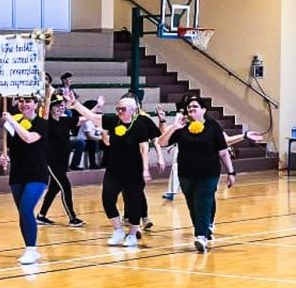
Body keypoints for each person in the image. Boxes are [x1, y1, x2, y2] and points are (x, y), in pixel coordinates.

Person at [73, 93, 156, 247]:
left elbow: (144, 148)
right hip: (114, 170)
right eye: (118, 108)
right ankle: (118, 230)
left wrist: (145, 169)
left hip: (134, 171)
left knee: (134, 203)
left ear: (132, 110)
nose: (119, 111)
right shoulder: (112, 120)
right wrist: (75, 103)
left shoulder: (141, 124)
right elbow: (92, 117)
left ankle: (132, 234)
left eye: (123, 109)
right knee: (108, 199)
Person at [159, 95, 234, 253]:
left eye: (195, 107)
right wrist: (174, 126)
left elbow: (223, 152)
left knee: (203, 201)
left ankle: (201, 237)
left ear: (203, 110)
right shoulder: (182, 127)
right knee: (192, 204)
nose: (191, 109)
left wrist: (231, 171)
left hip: (208, 173)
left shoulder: (213, 126)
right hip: (186, 174)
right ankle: (204, 230)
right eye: (189, 108)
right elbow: (162, 142)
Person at [0, 92, 50, 267]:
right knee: (22, 212)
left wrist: (13, 121)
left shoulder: (42, 124)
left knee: (26, 208)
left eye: (28, 101)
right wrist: (5, 156)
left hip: (37, 174)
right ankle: (31, 249)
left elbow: (29, 138)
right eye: (21, 101)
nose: (23, 104)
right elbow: (13, 146)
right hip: (18, 174)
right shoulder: (13, 124)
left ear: (36, 104)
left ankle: (31, 249)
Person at [36, 92, 84, 227]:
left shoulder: (65, 120)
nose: (60, 108)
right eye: (57, 106)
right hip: (51, 161)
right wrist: (47, 96)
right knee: (66, 187)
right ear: (50, 108)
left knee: (54, 189)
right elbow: (43, 114)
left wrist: (97, 107)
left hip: (63, 162)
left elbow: (84, 119)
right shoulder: (47, 123)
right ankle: (72, 217)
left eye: (62, 105)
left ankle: (41, 215)